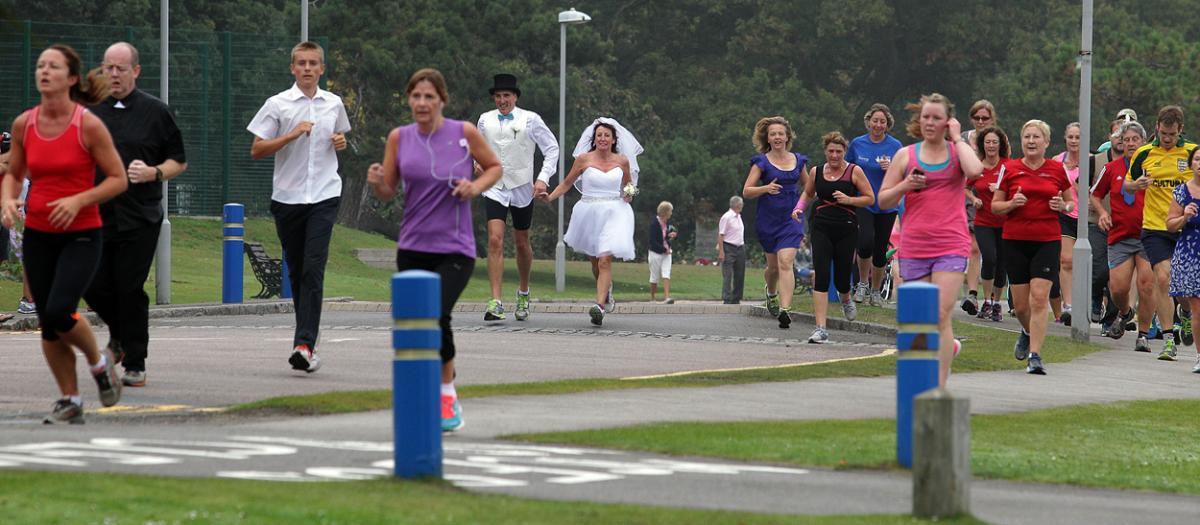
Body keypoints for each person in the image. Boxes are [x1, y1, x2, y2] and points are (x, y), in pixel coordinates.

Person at [366, 68, 502, 432]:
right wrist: (378, 182)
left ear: (442, 99)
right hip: (412, 246)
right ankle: (434, 380)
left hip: (454, 247)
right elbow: (388, 190)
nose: (422, 103)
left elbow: (494, 167)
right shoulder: (399, 138)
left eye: (429, 96)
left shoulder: (463, 133)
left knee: (437, 315)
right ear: (409, 100)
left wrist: (475, 188)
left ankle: (446, 392)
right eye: (416, 96)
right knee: (417, 321)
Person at [0, 44, 127, 423]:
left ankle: (99, 362)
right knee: (48, 322)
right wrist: (8, 200)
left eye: (53, 66)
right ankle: (70, 400)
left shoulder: (87, 124)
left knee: (58, 310)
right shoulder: (25, 124)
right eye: (40, 65)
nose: (44, 71)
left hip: (82, 234)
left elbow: (118, 179)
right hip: (39, 233)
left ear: (71, 78)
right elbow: (15, 174)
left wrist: (78, 201)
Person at [83, 42, 188, 388]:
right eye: (108, 68)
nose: (113, 74)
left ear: (136, 71)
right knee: (93, 285)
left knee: (128, 288)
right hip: (96, 214)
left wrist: (154, 172)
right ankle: (120, 338)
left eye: (120, 68)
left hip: (139, 216)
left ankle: (135, 362)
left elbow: (179, 161)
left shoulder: (156, 112)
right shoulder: (88, 111)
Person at [247, 41, 350, 374]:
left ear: (322, 68)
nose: (307, 68)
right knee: (296, 272)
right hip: (288, 199)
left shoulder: (334, 103)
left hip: (324, 195)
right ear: (292, 68)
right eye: (301, 63)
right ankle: (304, 343)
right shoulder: (277, 104)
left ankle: (304, 344)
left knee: (312, 268)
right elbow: (257, 150)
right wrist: (290, 136)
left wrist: (341, 142)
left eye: (313, 63)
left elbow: (341, 137)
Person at [878, 93, 983, 386]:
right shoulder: (906, 155)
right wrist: (905, 185)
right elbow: (884, 200)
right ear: (919, 119)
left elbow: (975, 171)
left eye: (937, 117)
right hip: (914, 245)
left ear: (948, 122)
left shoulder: (956, 152)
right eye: (926, 117)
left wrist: (958, 139)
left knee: (939, 312)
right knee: (918, 315)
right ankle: (942, 351)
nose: (930, 122)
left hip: (951, 243)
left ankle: (937, 385)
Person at [991, 120, 1075, 375]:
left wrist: (1063, 207)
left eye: (1036, 137)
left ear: (1046, 142)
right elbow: (996, 206)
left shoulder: (1057, 169)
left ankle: (1035, 355)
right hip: (1015, 240)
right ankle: (1026, 331)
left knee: (1039, 298)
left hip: (1047, 240)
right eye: (1027, 136)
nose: (1031, 141)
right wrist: (1011, 204)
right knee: (1021, 306)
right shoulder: (1010, 168)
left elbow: (1071, 204)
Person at [476, 74, 560, 321]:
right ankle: (496, 301)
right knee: (494, 240)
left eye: (507, 96)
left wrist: (543, 177)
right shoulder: (484, 120)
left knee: (522, 241)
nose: (502, 100)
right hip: (494, 186)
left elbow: (552, 148)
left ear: (515, 97)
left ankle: (523, 291)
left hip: (522, 185)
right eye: (498, 96)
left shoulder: (530, 119)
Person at [543, 118, 639, 326]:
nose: (603, 139)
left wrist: (629, 193)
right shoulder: (583, 159)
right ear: (594, 139)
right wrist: (550, 197)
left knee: (605, 260)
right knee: (595, 262)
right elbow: (567, 183)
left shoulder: (622, 161)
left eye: (607, 135)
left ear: (614, 139)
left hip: (614, 212)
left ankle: (599, 307)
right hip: (588, 212)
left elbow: (628, 184)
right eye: (599, 136)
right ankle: (606, 290)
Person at [1126, 105, 1197, 361]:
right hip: (1155, 227)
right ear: (1157, 126)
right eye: (1164, 133)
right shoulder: (1145, 152)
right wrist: (1137, 184)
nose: (1167, 139)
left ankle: (1186, 315)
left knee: (1184, 288)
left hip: (1185, 229)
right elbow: (1127, 184)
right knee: (1163, 278)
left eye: (1172, 134)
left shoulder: (1191, 152)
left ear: (1181, 131)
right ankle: (1169, 340)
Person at [794, 131, 875, 343]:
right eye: (831, 151)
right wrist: (799, 208)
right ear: (825, 151)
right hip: (821, 226)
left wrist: (849, 199)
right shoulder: (816, 172)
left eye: (839, 151)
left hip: (846, 227)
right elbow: (808, 193)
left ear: (844, 152)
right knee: (821, 275)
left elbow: (869, 198)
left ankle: (846, 298)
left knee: (841, 278)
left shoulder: (854, 171)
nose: (835, 155)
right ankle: (821, 328)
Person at [1090, 121, 1153, 348]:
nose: (1130, 144)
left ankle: (1143, 335)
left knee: (1146, 285)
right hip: (1120, 235)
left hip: (1148, 235)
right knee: (1117, 289)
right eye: (1126, 140)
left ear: (1143, 142)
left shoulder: (1153, 166)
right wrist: (1102, 213)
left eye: (1135, 140)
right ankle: (1126, 312)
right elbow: (1094, 194)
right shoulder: (1112, 168)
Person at [743, 116, 807, 328]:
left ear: (788, 136)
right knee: (773, 268)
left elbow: (809, 189)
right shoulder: (761, 162)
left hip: (792, 218)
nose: (777, 137)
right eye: (773, 134)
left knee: (785, 262)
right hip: (768, 219)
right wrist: (765, 188)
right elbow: (747, 191)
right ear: (767, 138)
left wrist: (801, 207)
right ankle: (771, 292)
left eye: (781, 133)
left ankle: (785, 310)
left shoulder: (799, 160)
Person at [847, 104, 902, 307]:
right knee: (865, 242)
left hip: (887, 204)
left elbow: (904, 174)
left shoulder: (895, 146)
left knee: (880, 249)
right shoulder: (857, 144)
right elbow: (847, 169)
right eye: (875, 121)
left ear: (887, 125)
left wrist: (892, 169)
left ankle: (876, 291)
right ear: (868, 122)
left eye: (882, 122)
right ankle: (862, 283)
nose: (878, 125)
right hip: (864, 202)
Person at [959, 100, 997, 315]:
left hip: (988, 197)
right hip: (965, 194)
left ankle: (990, 297)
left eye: (985, 118)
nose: (981, 122)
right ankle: (972, 293)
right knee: (972, 247)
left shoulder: (996, 139)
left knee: (990, 253)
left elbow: (1005, 164)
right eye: (977, 118)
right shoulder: (964, 139)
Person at [969, 126, 1010, 322]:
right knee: (990, 258)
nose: (991, 145)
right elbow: (964, 187)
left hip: (1005, 221)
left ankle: (996, 304)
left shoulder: (1007, 166)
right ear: (982, 145)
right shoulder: (977, 167)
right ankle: (985, 300)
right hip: (983, 220)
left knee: (1002, 263)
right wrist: (973, 199)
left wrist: (1001, 190)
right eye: (988, 142)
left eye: (995, 142)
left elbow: (1019, 189)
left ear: (1000, 144)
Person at [1166, 147, 1200, 373]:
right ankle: (1199, 355)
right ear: (1191, 164)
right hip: (1190, 252)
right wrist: (1184, 216)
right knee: (1198, 307)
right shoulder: (1181, 191)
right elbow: (1169, 224)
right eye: (1197, 159)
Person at [1050, 122, 1086, 325]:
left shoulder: (1091, 161)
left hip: (1086, 217)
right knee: (1066, 260)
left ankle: (1088, 301)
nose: (1074, 141)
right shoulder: (1057, 161)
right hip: (1064, 214)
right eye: (1070, 137)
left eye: (1078, 137)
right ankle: (1069, 306)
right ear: (1065, 138)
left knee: (1086, 265)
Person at [717, 196, 745, 304]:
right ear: (737, 205)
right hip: (729, 246)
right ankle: (727, 297)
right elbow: (721, 235)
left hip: (740, 247)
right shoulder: (727, 217)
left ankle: (736, 297)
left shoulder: (739, 217)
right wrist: (721, 251)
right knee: (727, 274)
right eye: (741, 204)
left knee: (740, 273)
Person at [647, 200, 676, 304]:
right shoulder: (654, 223)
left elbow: (665, 236)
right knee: (654, 275)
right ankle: (653, 297)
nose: (671, 213)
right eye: (670, 211)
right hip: (655, 252)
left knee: (666, 273)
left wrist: (670, 235)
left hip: (667, 253)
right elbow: (653, 241)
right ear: (665, 211)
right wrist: (663, 249)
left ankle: (667, 297)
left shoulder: (667, 224)